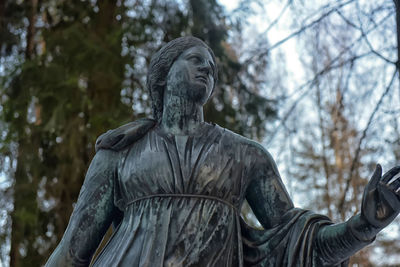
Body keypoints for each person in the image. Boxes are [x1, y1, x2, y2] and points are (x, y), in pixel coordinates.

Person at [46, 36, 400, 267]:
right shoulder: (120, 151)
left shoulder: (246, 155)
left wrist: (363, 226)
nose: (207, 69)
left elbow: (298, 244)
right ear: (164, 74)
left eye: (213, 68)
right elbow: (72, 252)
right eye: (195, 60)